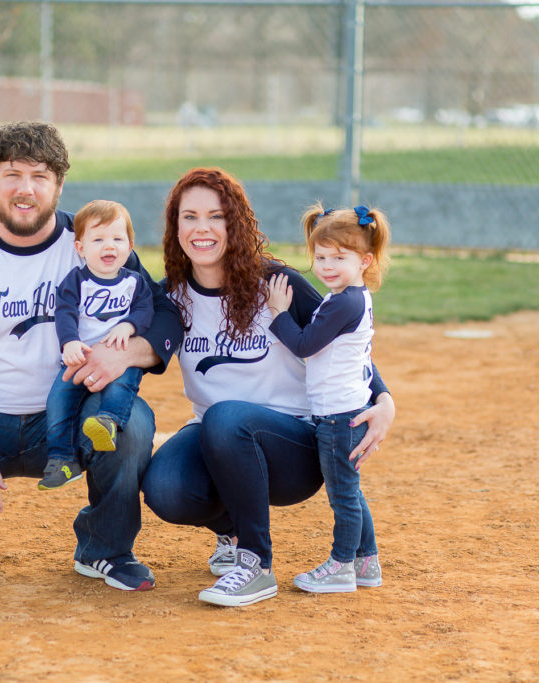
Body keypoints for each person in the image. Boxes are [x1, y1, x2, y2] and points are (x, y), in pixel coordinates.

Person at [0, 121, 180, 591]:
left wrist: (127, 357)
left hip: (65, 412)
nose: (26, 190)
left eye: (40, 176)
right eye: (12, 175)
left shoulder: (92, 245)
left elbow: (165, 316)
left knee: (131, 423)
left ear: (59, 186)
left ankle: (104, 549)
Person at [140, 167, 395, 607]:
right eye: (190, 217)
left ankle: (255, 564)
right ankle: (231, 530)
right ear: (175, 225)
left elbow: (345, 346)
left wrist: (384, 399)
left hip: (294, 446)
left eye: (216, 216)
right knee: (165, 488)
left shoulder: (277, 285)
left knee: (228, 415)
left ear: (234, 222)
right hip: (216, 436)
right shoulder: (172, 296)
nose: (202, 228)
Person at [265, 202, 392, 594]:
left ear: (365, 260)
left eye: (340, 257)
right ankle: (366, 562)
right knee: (349, 488)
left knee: (343, 496)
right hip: (343, 411)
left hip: (338, 417)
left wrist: (279, 313)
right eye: (320, 257)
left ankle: (341, 565)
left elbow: (305, 345)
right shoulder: (353, 297)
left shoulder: (343, 302)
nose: (327, 266)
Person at [39, 200, 154, 490]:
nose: (109, 246)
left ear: (129, 246)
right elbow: (64, 314)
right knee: (59, 399)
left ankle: (109, 422)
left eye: (118, 239)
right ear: (80, 248)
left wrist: (128, 327)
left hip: (118, 357)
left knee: (121, 386)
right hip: (79, 357)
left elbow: (146, 310)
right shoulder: (75, 281)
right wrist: (69, 343)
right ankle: (61, 459)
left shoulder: (134, 283)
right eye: (98, 239)